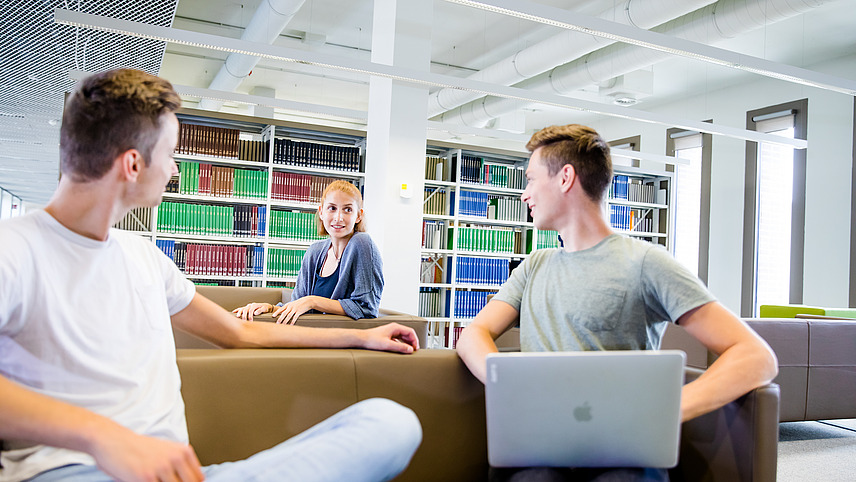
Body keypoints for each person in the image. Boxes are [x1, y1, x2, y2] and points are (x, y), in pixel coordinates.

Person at [0, 68, 421, 482]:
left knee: (392, 423)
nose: (174, 169)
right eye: (169, 154)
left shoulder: (145, 258)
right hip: (72, 470)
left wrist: (362, 335)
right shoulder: (14, 250)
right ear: (132, 165)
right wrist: (101, 437)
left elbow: (241, 333)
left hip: (194, 475)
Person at [455, 124, 778, 481]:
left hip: (624, 452)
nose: (524, 194)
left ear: (565, 178)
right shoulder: (534, 266)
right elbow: (475, 333)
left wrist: (667, 410)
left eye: (530, 180)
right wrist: (508, 386)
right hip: (540, 448)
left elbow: (756, 356)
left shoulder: (645, 262)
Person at [233, 180, 382, 325]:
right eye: (332, 208)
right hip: (310, 335)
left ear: (358, 216)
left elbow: (366, 308)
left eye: (347, 209)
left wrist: (312, 301)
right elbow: (298, 303)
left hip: (344, 341)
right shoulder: (315, 251)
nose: (338, 217)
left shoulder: (362, 243)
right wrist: (270, 307)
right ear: (321, 212)